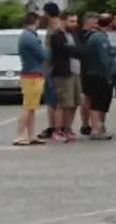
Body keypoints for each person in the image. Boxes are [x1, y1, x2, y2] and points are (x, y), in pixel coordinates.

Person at [47, 10, 83, 142]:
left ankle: (68, 128)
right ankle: (57, 130)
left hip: (76, 73)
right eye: (71, 21)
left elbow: (80, 50)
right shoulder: (56, 35)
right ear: (63, 21)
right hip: (63, 73)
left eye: (76, 21)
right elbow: (63, 50)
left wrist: (72, 49)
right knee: (63, 104)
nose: (75, 24)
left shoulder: (75, 35)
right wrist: (72, 49)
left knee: (74, 103)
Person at [15, 11, 49, 146]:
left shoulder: (26, 36)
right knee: (28, 106)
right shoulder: (30, 37)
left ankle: (31, 135)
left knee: (32, 106)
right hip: (32, 75)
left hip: (31, 74)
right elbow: (42, 55)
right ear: (36, 21)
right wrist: (49, 51)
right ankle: (19, 135)